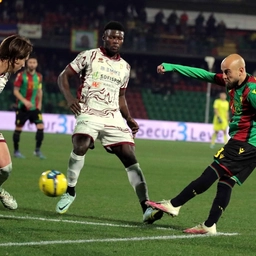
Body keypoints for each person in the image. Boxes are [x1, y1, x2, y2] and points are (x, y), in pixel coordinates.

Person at [56, 21, 163, 224]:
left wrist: (129, 118)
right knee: (81, 144)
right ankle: (70, 191)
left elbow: (121, 97)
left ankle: (146, 208)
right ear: (104, 37)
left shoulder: (125, 67)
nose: (116, 41)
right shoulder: (88, 56)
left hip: (113, 115)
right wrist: (70, 98)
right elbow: (63, 76)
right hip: (88, 110)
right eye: (112, 37)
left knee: (130, 158)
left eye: (119, 38)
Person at [146, 53, 256, 234]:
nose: (224, 76)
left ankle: (174, 204)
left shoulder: (251, 91)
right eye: (223, 72)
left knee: (214, 170)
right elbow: (202, 74)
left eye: (227, 72)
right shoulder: (233, 81)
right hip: (249, 146)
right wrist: (172, 66)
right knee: (226, 182)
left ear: (241, 70)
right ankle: (209, 225)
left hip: (245, 143)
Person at [0, 34, 33, 209]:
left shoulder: (5, 73)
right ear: (15, 58)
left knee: (5, 169)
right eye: (23, 60)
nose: (24, 65)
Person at [12, 54, 46, 159]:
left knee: (40, 127)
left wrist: (39, 104)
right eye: (30, 62)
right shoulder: (21, 76)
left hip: (34, 108)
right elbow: (15, 91)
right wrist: (24, 101)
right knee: (18, 129)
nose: (32, 64)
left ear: (37, 64)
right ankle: (16, 151)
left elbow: (40, 91)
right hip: (22, 107)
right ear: (27, 63)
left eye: (34, 62)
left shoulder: (39, 76)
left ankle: (37, 151)